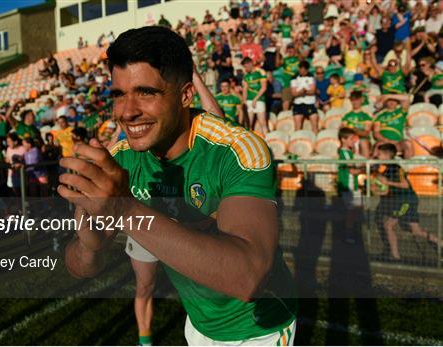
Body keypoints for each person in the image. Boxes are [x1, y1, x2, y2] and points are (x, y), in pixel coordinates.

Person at [60, 26, 297, 346]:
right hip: (198, 325)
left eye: (146, 92)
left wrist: (123, 208)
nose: (127, 111)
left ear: (186, 95)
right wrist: (90, 241)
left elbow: (248, 276)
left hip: (258, 331)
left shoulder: (237, 149)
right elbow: (80, 268)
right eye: (118, 94)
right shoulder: (120, 161)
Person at [373, 143, 443, 260]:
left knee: (388, 225)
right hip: (405, 200)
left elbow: (405, 185)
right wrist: (377, 190)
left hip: (405, 200)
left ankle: (395, 256)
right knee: (416, 231)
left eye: (379, 154)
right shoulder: (386, 170)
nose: (377, 156)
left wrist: (387, 183)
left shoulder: (395, 168)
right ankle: (441, 243)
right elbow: (385, 191)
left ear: (387, 155)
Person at [337, 127, 363, 244]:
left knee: (355, 210)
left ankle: (351, 232)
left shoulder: (348, 153)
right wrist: (366, 168)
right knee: (351, 212)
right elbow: (352, 171)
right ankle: (347, 235)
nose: (354, 141)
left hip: (354, 186)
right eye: (352, 139)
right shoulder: (344, 153)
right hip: (349, 187)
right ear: (343, 139)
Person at [372, 94, 413, 159]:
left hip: (398, 143)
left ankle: (408, 168)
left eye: (394, 100)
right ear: (385, 102)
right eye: (389, 100)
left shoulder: (400, 112)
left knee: (407, 143)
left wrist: (388, 96)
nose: (392, 102)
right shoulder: (379, 116)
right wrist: (387, 140)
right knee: (378, 144)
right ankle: (373, 167)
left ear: (397, 102)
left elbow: (407, 98)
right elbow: (376, 133)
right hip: (384, 142)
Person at [341, 91, 373, 158]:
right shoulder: (346, 116)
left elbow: (366, 133)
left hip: (363, 139)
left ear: (361, 100)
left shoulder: (367, 115)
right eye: (353, 100)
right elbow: (343, 131)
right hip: (350, 139)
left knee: (363, 142)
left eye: (357, 100)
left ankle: (365, 165)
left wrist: (355, 130)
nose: (355, 102)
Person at [291, 61, 318, 133]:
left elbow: (313, 91)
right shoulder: (294, 78)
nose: (302, 72)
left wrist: (304, 92)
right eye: (301, 70)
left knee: (314, 124)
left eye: (304, 70)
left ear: (307, 70)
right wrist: (301, 92)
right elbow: (293, 93)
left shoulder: (311, 77)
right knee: (297, 126)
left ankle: (314, 140)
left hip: (310, 103)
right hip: (298, 103)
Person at [242, 57, 268, 132]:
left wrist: (255, 100)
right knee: (248, 124)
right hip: (249, 100)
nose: (245, 68)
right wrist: (244, 102)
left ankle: (267, 140)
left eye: (246, 66)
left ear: (250, 64)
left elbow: (264, 88)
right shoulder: (246, 75)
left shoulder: (260, 72)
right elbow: (245, 89)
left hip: (259, 100)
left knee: (262, 123)